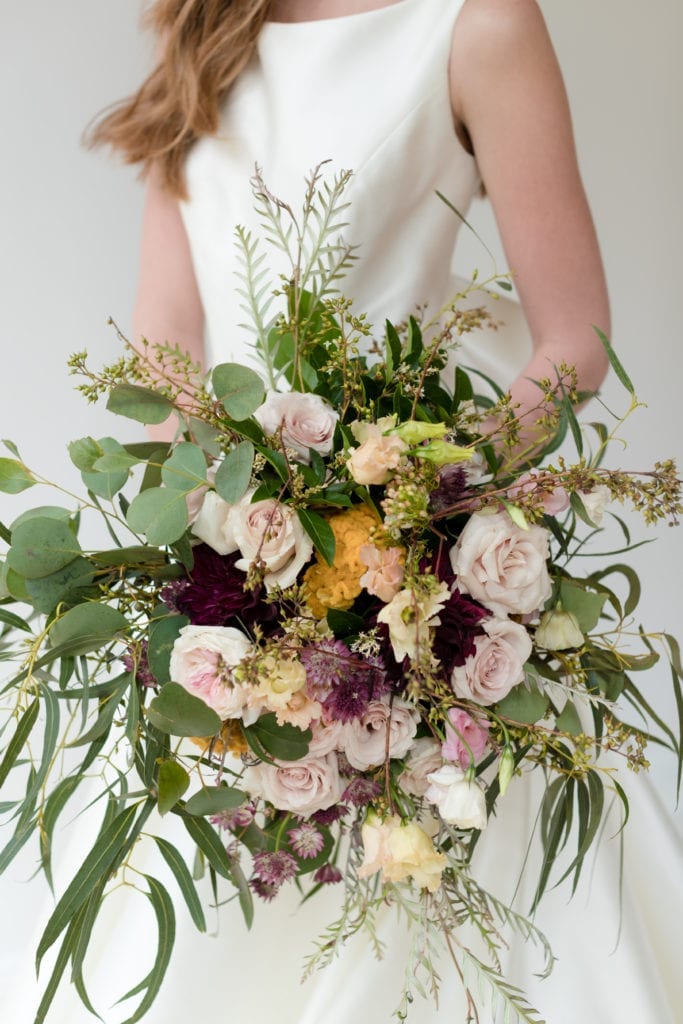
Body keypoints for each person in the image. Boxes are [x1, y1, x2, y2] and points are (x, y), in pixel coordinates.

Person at [74, 1, 679, 1022]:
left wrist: (415, 507)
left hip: (412, 588)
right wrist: (237, 529)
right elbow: (165, 345)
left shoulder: (475, 24)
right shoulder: (205, 30)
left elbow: (572, 340)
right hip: (239, 584)